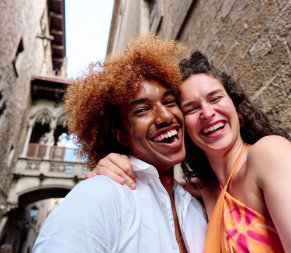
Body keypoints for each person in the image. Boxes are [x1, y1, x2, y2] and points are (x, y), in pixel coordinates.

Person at [92, 50, 291, 252]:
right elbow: (155, 184)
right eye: (192, 108)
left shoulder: (269, 155)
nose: (207, 113)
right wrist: (114, 162)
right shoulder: (202, 192)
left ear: (236, 108)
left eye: (215, 98)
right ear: (184, 125)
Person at [33, 36, 207, 253]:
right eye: (142, 110)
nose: (165, 116)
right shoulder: (99, 196)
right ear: (121, 135)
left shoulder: (199, 203)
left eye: (169, 102)